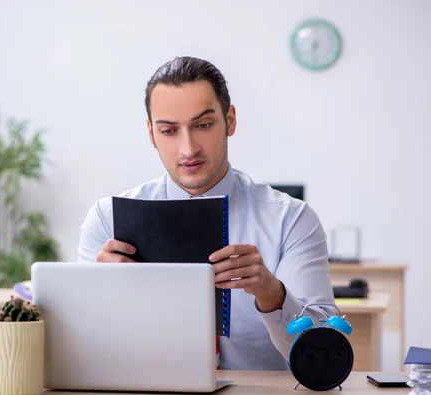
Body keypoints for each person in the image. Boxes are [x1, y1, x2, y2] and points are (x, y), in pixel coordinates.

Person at [77, 56, 335, 371]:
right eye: (169, 131)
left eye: (203, 125)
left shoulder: (292, 221)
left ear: (230, 120)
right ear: (151, 134)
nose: (188, 149)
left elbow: (325, 358)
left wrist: (272, 293)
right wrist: (101, 298)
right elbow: (83, 352)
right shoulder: (108, 221)